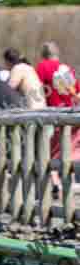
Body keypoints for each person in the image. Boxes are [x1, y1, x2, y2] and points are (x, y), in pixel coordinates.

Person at [36, 42, 80, 198]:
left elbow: (37, 89)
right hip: (72, 113)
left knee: (50, 152)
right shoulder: (66, 68)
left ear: (43, 53)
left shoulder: (42, 67)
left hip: (54, 114)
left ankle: (55, 184)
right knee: (71, 148)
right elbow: (77, 91)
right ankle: (67, 182)